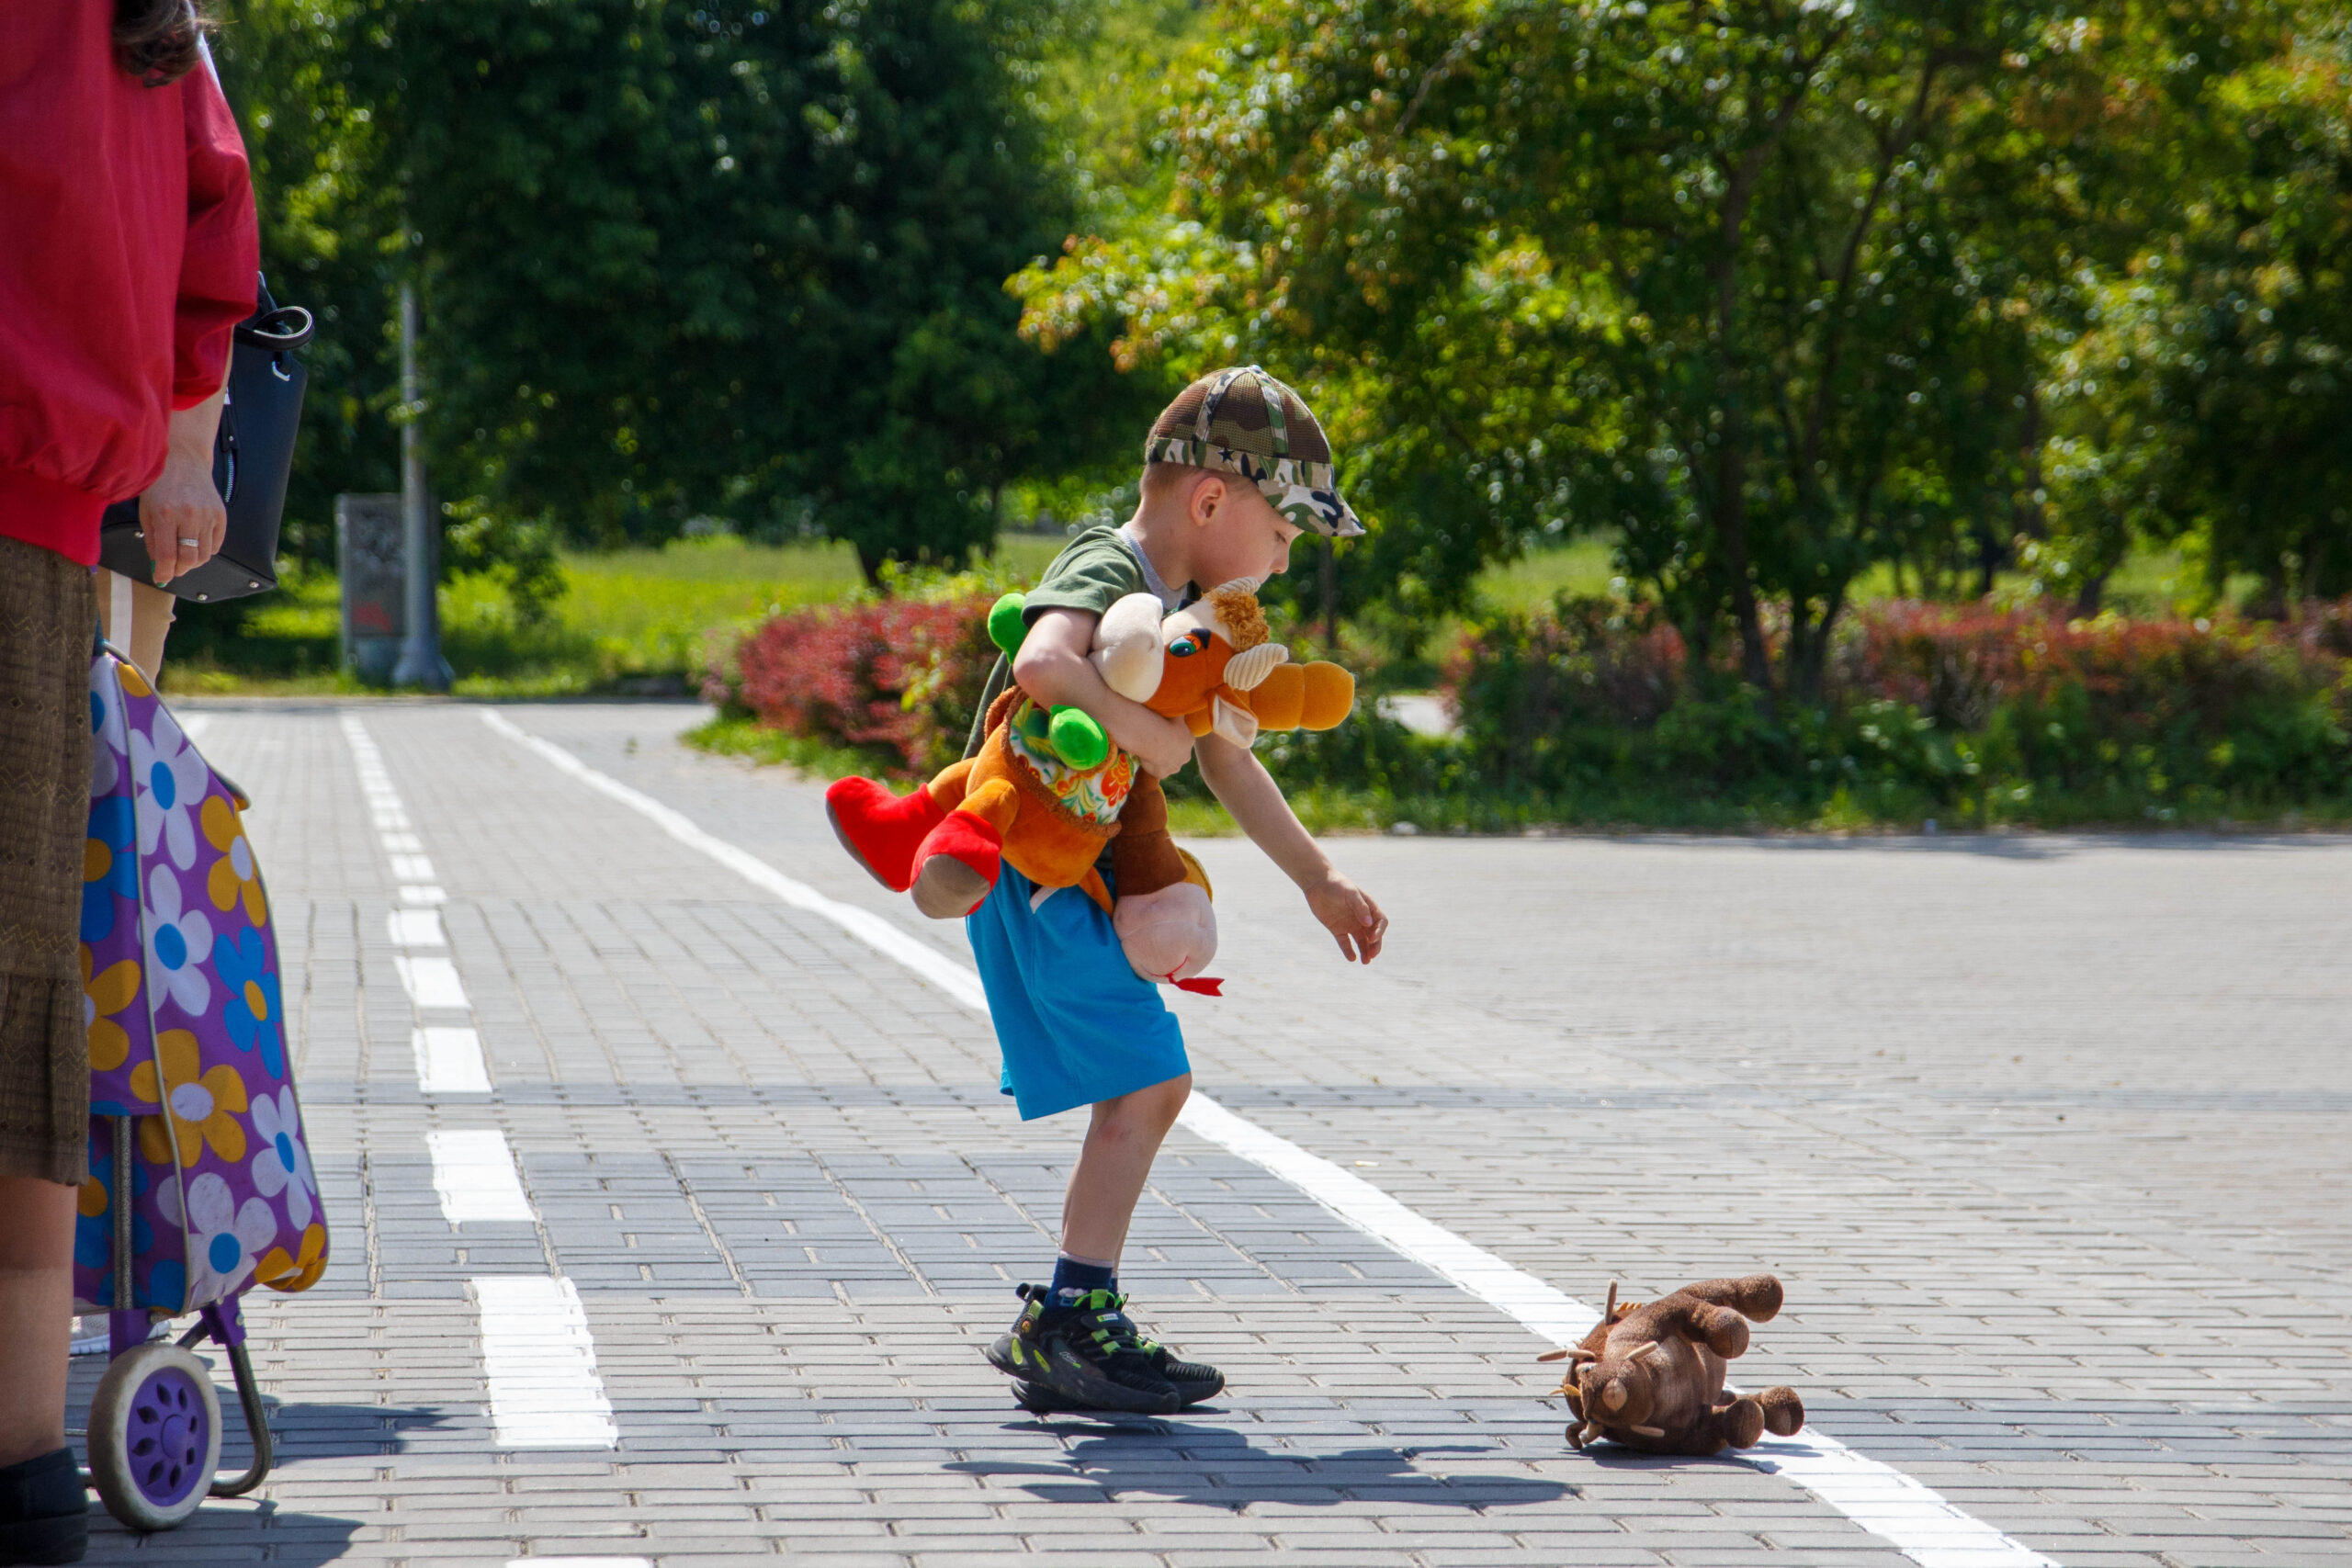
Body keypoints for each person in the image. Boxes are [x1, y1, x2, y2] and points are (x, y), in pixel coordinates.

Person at [975, 367, 1389, 1412]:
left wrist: (1319, 877)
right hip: (1035, 866)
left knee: (1148, 1083)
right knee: (1153, 1080)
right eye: (1283, 535)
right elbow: (1041, 663)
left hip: (1075, 875)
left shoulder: (1186, 616)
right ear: (1210, 501)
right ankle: (1070, 1322)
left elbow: (1227, 757)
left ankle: (1072, 1314)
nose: (1284, 562)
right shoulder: (1107, 565)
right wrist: (1151, 735)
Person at [0, 1, 257, 1559]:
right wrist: (185, 434)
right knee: (20, 977)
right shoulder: (146, 24)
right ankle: (23, 1455)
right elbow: (216, 225)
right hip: (37, 532)